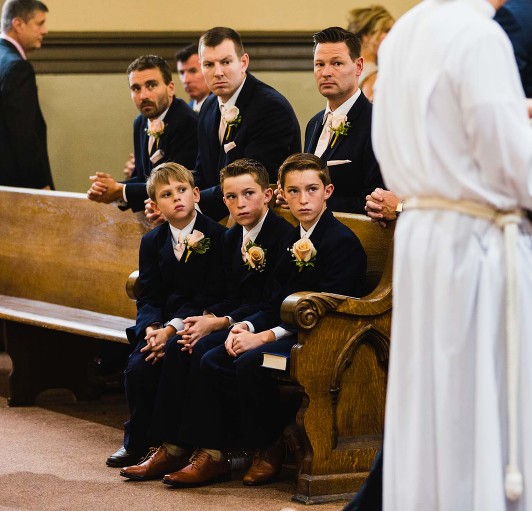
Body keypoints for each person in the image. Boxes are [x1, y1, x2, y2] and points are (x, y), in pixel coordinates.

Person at [372, 1, 532, 510]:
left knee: (434, 403)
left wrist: (519, 120)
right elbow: (518, 171)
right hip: (478, 242)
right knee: (487, 398)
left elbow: (428, 138)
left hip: (424, 232)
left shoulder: (403, 34)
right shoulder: (481, 35)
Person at [152, 153, 366, 488]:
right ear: (282, 193)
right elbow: (274, 300)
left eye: (311, 189)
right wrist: (245, 326)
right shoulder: (295, 239)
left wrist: (264, 337)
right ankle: (216, 451)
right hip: (293, 331)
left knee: (252, 361)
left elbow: (327, 311)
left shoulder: (340, 242)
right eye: (293, 191)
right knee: (214, 358)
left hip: (323, 342)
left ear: (328, 191)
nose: (302, 199)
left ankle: (268, 446)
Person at [118, 159, 294, 481]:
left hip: (263, 325)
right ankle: (173, 446)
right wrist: (203, 321)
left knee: (206, 355)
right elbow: (223, 294)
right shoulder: (230, 238)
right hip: (233, 319)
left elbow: (270, 301)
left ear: (268, 195)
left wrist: (221, 321)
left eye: (248, 194)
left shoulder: (283, 237)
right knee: (182, 346)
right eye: (230, 197)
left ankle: (213, 452)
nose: (239, 204)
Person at [106, 162, 226, 468]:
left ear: (196, 194)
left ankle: (171, 444)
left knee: (172, 355)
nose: (177, 198)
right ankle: (137, 441)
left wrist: (170, 330)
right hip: (160, 324)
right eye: (167, 194)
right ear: (155, 205)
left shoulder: (217, 236)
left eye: (182, 190)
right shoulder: (152, 241)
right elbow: (149, 295)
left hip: (195, 320)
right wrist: (151, 328)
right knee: (138, 366)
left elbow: (208, 296)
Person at [193, 27, 301, 221]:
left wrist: (190, 205)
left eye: (226, 62)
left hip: (263, 223)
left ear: (243, 62)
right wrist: (176, 198)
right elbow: (203, 171)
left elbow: (254, 182)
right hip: (217, 219)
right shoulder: (209, 106)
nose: (218, 72)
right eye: (209, 64)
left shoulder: (270, 107)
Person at [86, 55, 198, 213]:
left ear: (170, 88)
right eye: (136, 88)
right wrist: (107, 188)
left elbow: (177, 185)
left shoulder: (188, 122)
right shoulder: (140, 122)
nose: (143, 96)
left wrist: (121, 190)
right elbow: (141, 177)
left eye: (151, 85)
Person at [301, 26, 383, 214]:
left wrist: (312, 204)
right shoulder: (313, 124)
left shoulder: (376, 122)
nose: (326, 72)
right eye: (319, 64)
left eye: (336, 63)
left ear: (359, 66)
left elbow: (376, 199)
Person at [0, 0, 53, 189]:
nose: (45, 30)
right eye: (39, 23)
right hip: (16, 187)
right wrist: (40, 185)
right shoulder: (17, 68)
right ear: (18, 24)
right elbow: (23, 135)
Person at [346, 5, 393, 102]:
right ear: (366, 36)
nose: (392, 35)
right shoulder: (372, 76)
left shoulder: (350, 71)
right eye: (386, 30)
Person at [175, 44, 211, 112]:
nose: (185, 80)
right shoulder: (185, 110)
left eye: (193, 71)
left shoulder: (221, 107)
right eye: (182, 73)